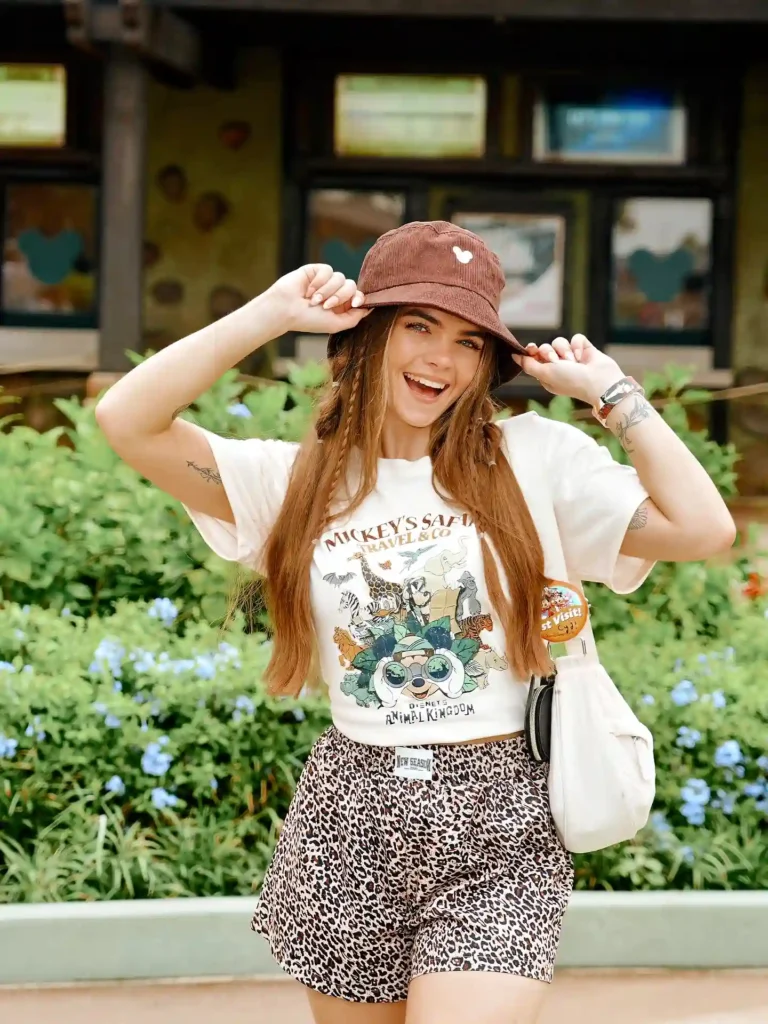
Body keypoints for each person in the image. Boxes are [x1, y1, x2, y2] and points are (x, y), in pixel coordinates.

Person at [95, 221, 736, 1024]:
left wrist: (613, 396)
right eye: (419, 326)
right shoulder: (290, 482)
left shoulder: (535, 460)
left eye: (469, 342)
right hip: (352, 812)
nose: (442, 358)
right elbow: (127, 420)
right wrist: (270, 312)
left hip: (502, 819)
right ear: (367, 335)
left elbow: (705, 530)